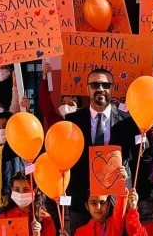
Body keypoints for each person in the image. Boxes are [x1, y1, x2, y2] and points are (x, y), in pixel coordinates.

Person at [64, 68, 136, 234]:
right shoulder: (72, 121)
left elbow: (138, 157)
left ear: (112, 88)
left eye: (105, 84)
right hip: (82, 197)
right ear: (87, 88)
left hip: (117, 198)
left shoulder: (129, 121)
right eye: (95, 84)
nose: (100, 88)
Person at [73, 166, 128, 236]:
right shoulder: (80, 232)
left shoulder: (114, 224)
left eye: (102, 203)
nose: (98, 207)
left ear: (108, 205)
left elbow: (121, 200)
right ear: (87, 206)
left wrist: (121, 181)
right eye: (93, 203)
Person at [39, 62, 79, 129]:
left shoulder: (84, 123)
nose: (66, 106)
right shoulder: (55, 121)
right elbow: (45, 101)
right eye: (63, 103)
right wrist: (45, 77)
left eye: (70, 104)